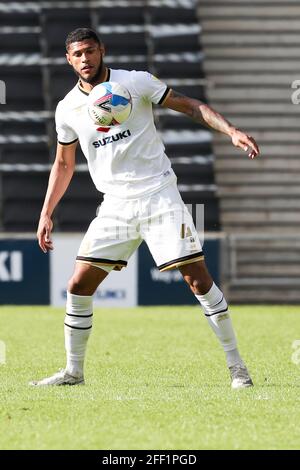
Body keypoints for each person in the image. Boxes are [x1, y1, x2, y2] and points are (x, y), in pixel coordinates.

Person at [30, 28, 259, 388]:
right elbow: (63, 164)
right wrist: (46, 212)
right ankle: (74, 371)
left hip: (158, 195)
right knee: (78, 284)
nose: (85, 59)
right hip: (115, 206)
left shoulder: (134, 82)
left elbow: (189, 104)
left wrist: (229, 130)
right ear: (68, 59)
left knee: (197, 280)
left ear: (101, 50)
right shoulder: (67, 108)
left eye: (90, 51)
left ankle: (237, 367)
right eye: (77, 54)